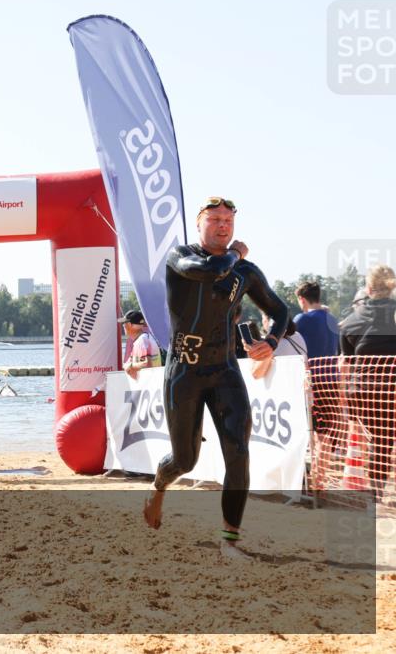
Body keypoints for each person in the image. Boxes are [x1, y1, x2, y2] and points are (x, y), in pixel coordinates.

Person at [142, 196, 288, 560]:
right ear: (199, 223)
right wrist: (236, 253)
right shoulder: (179, 257)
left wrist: (271, 341)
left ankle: (230, 541)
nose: (223, 225)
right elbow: (211, 272)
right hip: (184, 373)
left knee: (238, 454)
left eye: (229, 219)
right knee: (185, 460)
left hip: (225, 371)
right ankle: (159, 487)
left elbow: (280, 309)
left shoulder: (246, 271)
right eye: (215, 219)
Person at [339, 264, 396, 502]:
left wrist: (342, 401)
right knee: (382, 439)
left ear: (369, 288)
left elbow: (345, 365)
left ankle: (376, 493)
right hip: (390, 390)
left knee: (380, 441)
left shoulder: (351, 321)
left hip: (365, 395)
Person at [250, 315, 307, 379]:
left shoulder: (272, 345)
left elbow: (256, 374)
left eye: (263, 318)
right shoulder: (298, 336)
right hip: (301, 386)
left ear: (269, 322)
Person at [294, 281, 340, 359]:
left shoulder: (302, 319)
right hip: (333, 369)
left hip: (311, 370)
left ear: (301, 299)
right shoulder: (333, 319)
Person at [119, 310, 162, 380]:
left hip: (150, 384)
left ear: (130, 325)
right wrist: (127, 365)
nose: (123, 326)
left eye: (124, 323)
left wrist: (130, 366)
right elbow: (128, 363)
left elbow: (146, 364)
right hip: (151, 384)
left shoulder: (142, 340)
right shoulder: (141, 339)